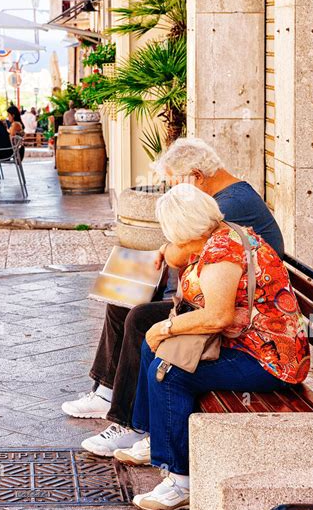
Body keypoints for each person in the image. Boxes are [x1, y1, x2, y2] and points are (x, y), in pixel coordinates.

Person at [63, 137, 285, 456]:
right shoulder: (221, 193)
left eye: (173, 182)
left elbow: (183, 252)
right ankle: (108, 390)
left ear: (196, 174)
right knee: (124, 298)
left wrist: (166, 253)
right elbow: (184, 249)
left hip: (237, 310)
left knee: (141, 318)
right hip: (221, 296)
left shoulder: (230, 203)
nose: (171, 190)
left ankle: (128, 422)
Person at [113, 183, 309, 510]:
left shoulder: (222, 253)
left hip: (271, 359)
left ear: (188, 230)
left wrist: (166, 327)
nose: (173, 242)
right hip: (248, 340)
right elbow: (179, 257)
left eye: (175, 234)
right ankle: (154, 437)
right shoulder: (220, 232)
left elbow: (218, 317)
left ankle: (180, 481)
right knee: (154, 345)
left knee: (170, 372)